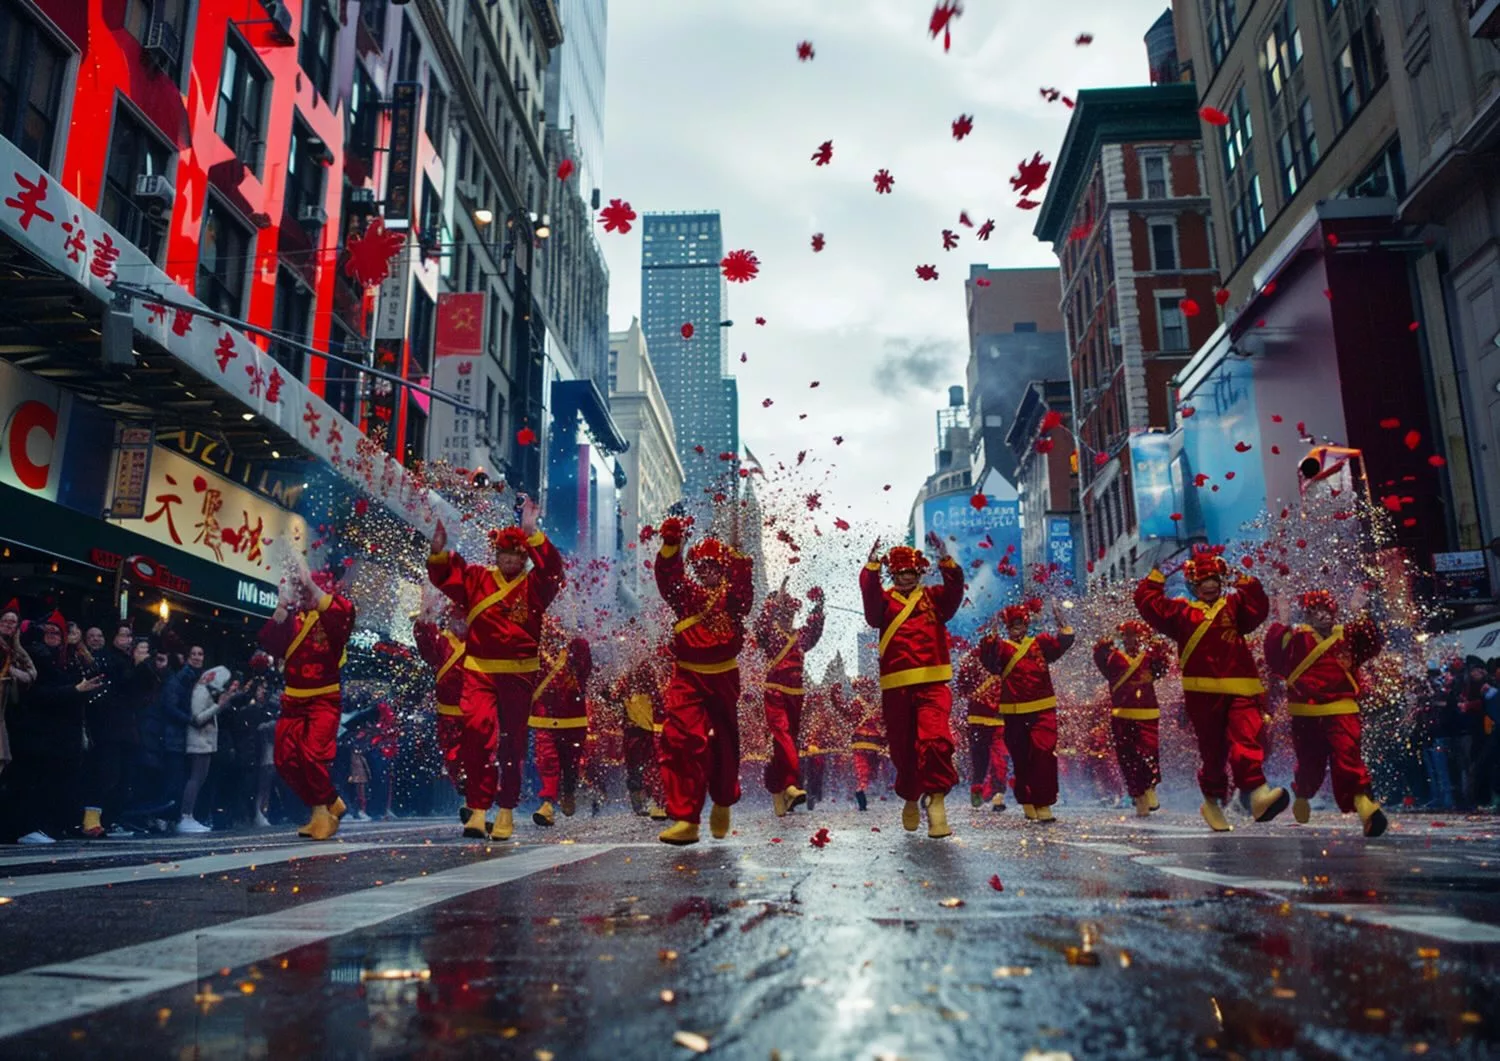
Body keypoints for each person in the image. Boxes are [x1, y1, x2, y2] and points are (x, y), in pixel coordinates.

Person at [427, 496, 565, 841]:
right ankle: (477, 808)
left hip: (519, 674)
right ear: (495, 555)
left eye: (517, 555)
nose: (509, 560)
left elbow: (554, 571)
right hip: (479, 671)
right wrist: (439, 551)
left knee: (512, 744)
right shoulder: (476, 578)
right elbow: (446, 576)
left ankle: (505, 810)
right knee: (476, 733)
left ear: (524, 558)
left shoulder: (536, 585)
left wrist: (532, 531)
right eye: (504, 554)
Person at [1135, 544, 1289, 832]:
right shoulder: (1180, 613)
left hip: (1241, 687)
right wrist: (1158, 576)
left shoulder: (1234, 606)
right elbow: (1149, 605)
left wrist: (1241, 578)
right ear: (1193, 585)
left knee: (1247, 736)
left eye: (1214, 582)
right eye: (1203, 583)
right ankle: (1213, 801)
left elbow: (1259, 609)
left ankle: (1257, 793)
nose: (1209, 587)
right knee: (1213, 752)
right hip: (1202, 694)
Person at [652, 515, 755, 846]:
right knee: (680, 739)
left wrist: (738, 555)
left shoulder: (733, 598)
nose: (707, 572)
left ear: (723, 569)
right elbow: (669, 579)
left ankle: (723, 800)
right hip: (687, 676)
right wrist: (671, 546)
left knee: (724, 745)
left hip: (723, 676)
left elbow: (744, 595)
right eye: (702, 567)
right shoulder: (687, 595)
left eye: (714, 566)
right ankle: (686, 818)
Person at [859, 534, 964, 839]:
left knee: (935, 740)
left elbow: (955, 590)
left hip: (933, 683)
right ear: (893, 575)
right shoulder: (884, 603)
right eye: (899, 574)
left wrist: (946, 558)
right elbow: (870, 602)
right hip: (896, 688)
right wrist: (872, 567)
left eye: (910, 573)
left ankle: (936, 799)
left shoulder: (935, 598)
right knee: (903, 752)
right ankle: (909, 795)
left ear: (919, 573)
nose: (904, 578)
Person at [1264, 588, 1387, 836]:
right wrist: (1282, 622)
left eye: (1328, 611)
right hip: (1305, 714)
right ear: (1308, 615)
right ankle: (1303, 794)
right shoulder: (1296, 638)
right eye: (1317, 612)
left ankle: (1365, 806)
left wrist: (1360, 612)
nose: (1324, 617)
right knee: (1311, 764)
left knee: (1348, 757)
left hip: (1342, 710)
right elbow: (1273, 658)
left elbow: (1373, 645)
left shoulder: (1348, 636)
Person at [259, 564, 356, 841]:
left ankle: (323, 811)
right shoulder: (293, 617)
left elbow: (344, 617)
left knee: (312, 755)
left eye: (307, 588)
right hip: (292, 701)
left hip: (324, 698)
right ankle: (325, 806)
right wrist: (280, 607)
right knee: (285, 760)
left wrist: (313, 589)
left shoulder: (335, 613)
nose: (303, 594)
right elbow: (271, 645)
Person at [4, 612, 102, 843]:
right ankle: (27, 828)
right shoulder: (39, 656)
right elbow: (38, 693)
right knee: (32, 782)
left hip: (55, 734)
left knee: (49, 783)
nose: (54, 636)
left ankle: (44, 827)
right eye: (50, 632)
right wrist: (74, 690)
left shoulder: (65, 659)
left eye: (58, 632)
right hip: (35, 730)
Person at [977, 601, 1076, 823]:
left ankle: (1044, 802)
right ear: (1006, 627)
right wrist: (990, 638)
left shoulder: (1040, 643)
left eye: (1020, 623)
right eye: (1012, 624)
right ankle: (1027, 799)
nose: (1016, 627)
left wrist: (1063, 624)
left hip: (1043, 709)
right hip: (1014, 712)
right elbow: (990, 662)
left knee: (1043, 753)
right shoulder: (1002, 648)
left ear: (1026, 624)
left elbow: (1062, 645)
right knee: (1021, 758)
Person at [752, 581, 825, 817]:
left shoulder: (800, 636)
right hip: (774, 693)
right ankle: (792, 785)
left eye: (790, 613)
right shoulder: (770, 634)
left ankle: (778, 788)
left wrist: (818, 605)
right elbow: (760, 627)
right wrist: (774, 601)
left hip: (797, 696)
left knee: (786, 745)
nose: (787, 617)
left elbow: (814, 630)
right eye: (782, 613)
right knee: (783, 737)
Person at [1092, 619, 1171, 816]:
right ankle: (1138, 795)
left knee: (1149, 754)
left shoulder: (1149, 656)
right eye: (1126, 636)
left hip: (1148, 714)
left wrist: (1158, 645)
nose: (1131, 640)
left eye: (1135, 636)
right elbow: (1100, 660)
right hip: (1121, 715)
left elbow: (1163, 666)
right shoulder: (1113, 658)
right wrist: (1103, 645)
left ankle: (1150, 787)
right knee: (1128, 758)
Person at [528, 619, 593, 826]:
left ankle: (569, 791)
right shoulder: (535, 646)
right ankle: (547, 804)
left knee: (570, 764)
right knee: (547, 761)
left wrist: (572, 636)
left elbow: (584, 661)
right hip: (544, 717)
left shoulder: (577, 648)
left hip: (573, 721)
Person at [412, 610, 469, 818]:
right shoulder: (442, 640)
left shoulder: (483, 639)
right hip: (448, 715)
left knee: (482, 756)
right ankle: (468, 792)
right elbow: (426, 646)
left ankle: (476, 804)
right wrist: (425, 615)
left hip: (479, 710)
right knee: (454, 759)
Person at [179, 666, 234, 833]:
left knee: (200, 779)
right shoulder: (201, 691)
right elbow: (197, 718)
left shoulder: (205, 691)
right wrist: (218, 706)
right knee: (196, 778)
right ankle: (186, 815)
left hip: (205, 742)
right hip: (198, 742)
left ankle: (190, 815)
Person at [615, 646, 667, 819]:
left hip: (649, 729)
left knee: (648, 766)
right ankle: (644, 801)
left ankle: (655, 801)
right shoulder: (625, 680)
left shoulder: (652, 678)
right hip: (638, 729)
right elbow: (614, 697)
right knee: (639, 767)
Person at [953, 648, 1008, 812]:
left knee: (1000, 758)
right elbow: (962, 688)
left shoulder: (1006, 654)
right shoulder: (974, 660)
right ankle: (979, 787)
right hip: (980, 718)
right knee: (980, 758)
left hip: (1000, 717)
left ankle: (997, 793)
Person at [0, 600, 37, 779]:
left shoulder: (16, 650)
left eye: (12, 622)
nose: (8, 624)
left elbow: (32, 674)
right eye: (5, 620)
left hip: (8, 711)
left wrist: (13, 672)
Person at [847, 677, 886, 811]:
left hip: (860, 742)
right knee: (869, 771)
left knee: (863, 770)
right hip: (873, 742)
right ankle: (863, 790)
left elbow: (848, 717)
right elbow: (883, 722)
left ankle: (862, 789)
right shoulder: (876, 704)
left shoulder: (857, 703)